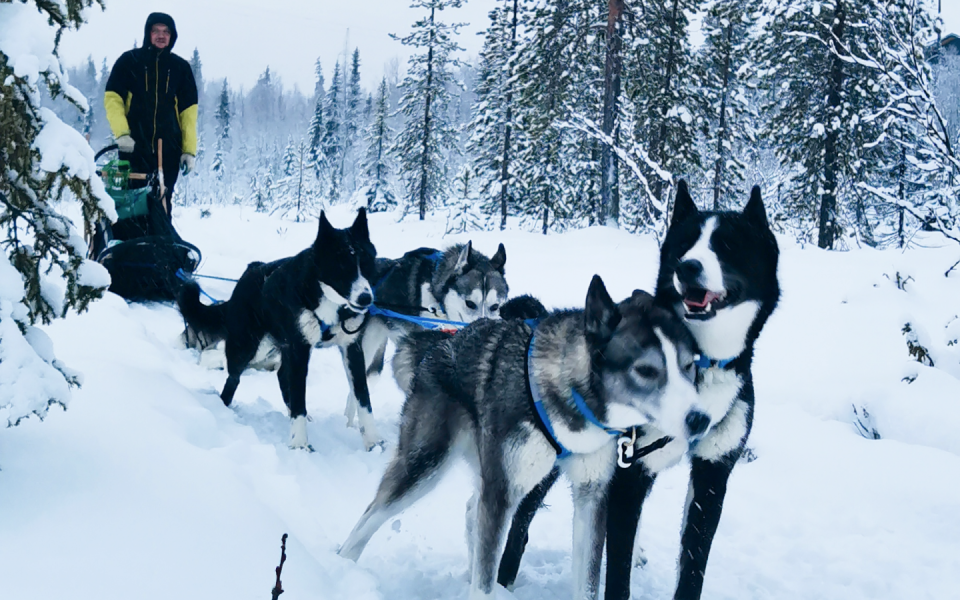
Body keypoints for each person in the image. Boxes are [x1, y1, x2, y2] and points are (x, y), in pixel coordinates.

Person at [104, 12, 198, 210]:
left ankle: (161, 240)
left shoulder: (181, 68)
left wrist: (188, 150)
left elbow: (188, 114)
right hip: (134, 148)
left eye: (166, 31)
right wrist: (122, 134)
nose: (161, 35)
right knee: (132, 205)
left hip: (168, 150)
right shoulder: (129, 61)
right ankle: (133, 241)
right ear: (148, 33)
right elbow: (113, 100)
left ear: (172, 36)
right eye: (156, 31)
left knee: (162, 203)